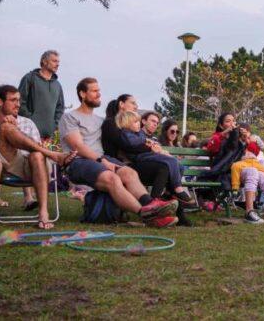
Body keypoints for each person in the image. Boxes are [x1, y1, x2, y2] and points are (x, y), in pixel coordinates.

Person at [58, 78, 178, 227]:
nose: (99, 94)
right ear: (82, 94)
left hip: (103, 159)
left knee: (130, 173)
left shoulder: (101, 120)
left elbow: (125, 134)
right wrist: (102, 161)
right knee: (111, 178)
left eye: (99, 91)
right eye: (94, 91)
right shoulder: (69, 117)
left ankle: (152, 206)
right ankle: (146, 214)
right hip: (78, 161)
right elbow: (78, 146)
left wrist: (149, 145)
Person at [0, 85, 77, 229]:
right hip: (2, 166)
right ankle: (54, 155)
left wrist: (17, 131)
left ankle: (43, 213)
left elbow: (36, 151)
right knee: (5, 127)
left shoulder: (27, 123)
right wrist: (7, 130)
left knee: (36, 155)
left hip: (31, 165)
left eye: (19, 100)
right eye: (13, 100)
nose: (18, 104)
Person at [101, 95, 192, 223]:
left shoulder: (133, 129)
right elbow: (127, 145)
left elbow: (136, 144)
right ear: (121, 104)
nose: (136, 106)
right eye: (133, 103)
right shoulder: (113, 123)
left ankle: (167, 206)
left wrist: (155, 149)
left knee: (168, 167)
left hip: (136, 163)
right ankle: (156, 205)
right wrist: (150, 147)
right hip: (125, 165)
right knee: (165, 167)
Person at [115, 110, 195, 207]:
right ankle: (175, 190)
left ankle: (170, 194)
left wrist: (158, 149)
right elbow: (134, 143)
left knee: (178, 166)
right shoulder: (127, 133)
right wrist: (148, 142)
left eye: (157, 123)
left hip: (147, 160)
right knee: (167, 165)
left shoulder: (141, 134)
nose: (155, 124)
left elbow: (151, 145)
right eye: (153, 121)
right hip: (137, 163)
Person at [18, 50, 65, 210]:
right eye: (54, 60)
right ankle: (28, 198)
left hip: (48, 131)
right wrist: (30, 119)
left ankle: (40, 197)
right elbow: (20, 101)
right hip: (28, 128)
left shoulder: (58, 84)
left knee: (43, 162)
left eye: (58, 61)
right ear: (44, 62)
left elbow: (60, 107)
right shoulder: (29, 78)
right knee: (27, 158)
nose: (57, 63)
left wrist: (54, 123)